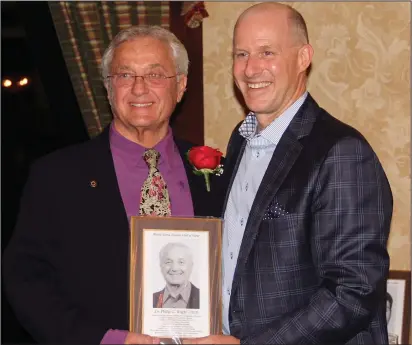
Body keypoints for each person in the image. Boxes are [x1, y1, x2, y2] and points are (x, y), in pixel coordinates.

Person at [2, 25, 224, 345]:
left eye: (155, 74)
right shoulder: (56, 176)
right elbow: (26, 280)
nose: (139, 89)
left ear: (181, 86)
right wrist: (105, 340)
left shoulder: (218, 173)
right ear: (108, 88)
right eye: (124, 75)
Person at [188, 2, 393, 344]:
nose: (251, 68)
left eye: (267, 52)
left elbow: (353, 291)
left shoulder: (341, 152)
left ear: (303, 58)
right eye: (241, 54)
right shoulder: (241, 141)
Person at [153, 242, 200, 309]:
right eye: (168, 262)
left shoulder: (204, 299)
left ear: (191, 266)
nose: (174, 268)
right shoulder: (151, 300)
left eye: (181, 262)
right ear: (161, 266)